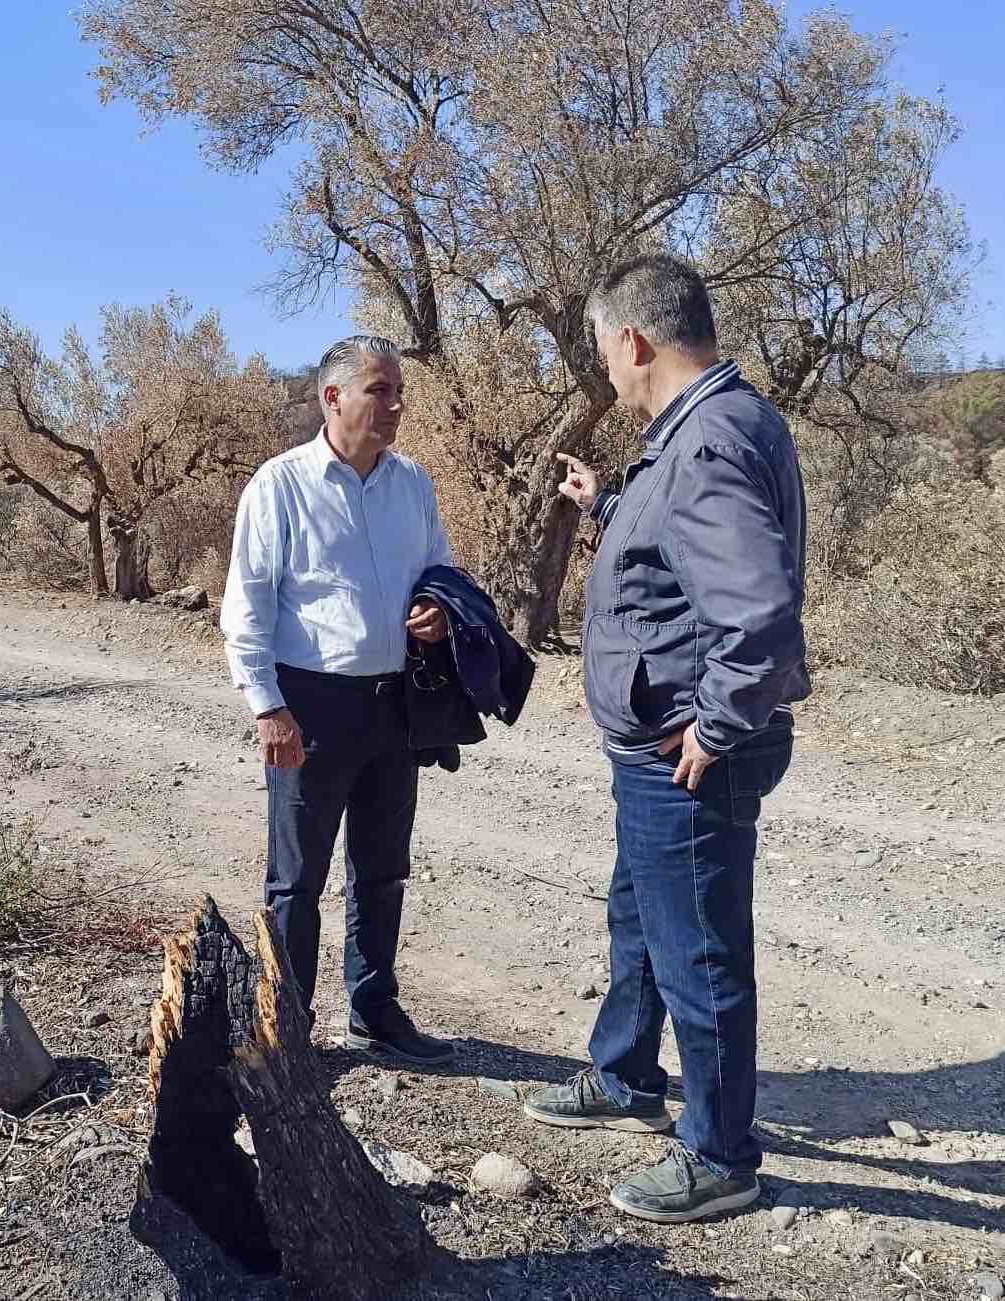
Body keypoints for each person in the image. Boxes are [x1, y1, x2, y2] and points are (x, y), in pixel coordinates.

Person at [523, 254, 808, 1223]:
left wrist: (718, 726)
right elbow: (685, 555)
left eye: (606, 352)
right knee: (640, 916)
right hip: (662, 745)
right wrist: (604, 503)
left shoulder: (702, 445)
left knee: (699, 951)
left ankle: (721, 1153)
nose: (607, 371)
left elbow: (759, 615)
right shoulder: (718, 424)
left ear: (635, 341)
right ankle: (625, 1073)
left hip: (690, 749)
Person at [221, 335, 457, 1065]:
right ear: (333, 397)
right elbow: (246, 607)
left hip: (394, 703)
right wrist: (266, 705)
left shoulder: (412, 483)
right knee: (296, 878)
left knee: (382, 867)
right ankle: (286, 1027)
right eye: (378, 391)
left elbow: (441, 569)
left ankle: (373, 1010)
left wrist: (437, 608)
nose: (393, 405)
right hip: (309, 706)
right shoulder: (279, 485)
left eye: (397, 393)